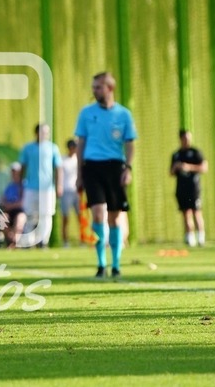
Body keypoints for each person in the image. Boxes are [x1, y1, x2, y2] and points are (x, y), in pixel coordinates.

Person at [75, 72, 137, 278]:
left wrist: (128, 168)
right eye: (93, 87)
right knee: (98, 214)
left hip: (115, 167)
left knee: (115, 217)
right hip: (92, 167)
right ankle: (101, 264)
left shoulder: (124, 114)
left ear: (110, 88)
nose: (94, 91)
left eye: (98, 87)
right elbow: (81, 144)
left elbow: (130, 144)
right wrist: (79, 173)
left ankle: (116, 264)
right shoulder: (86, 113)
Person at [18, 124, 63, 248]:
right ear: (36, 133)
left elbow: (58, 168)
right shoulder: (28, 148)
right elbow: (23, 167)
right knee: (29, 214)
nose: (45, 135)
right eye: (43, 132)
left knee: (46, 215)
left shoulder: (53, 148)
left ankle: (43, 241)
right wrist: (20, 184)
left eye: (47, 132)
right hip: (30, 187)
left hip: (47, 188)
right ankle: (29, 240)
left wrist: (59, 185)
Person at [170, 129, 208, 247]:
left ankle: (201, 237)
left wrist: (189, 167)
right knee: (186, 212)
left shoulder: (195, 152)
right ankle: (190, 238)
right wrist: (176, 167)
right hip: (181, 188)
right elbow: (171, 172)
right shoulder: (176, 155)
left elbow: (204, 167)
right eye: (185, 138)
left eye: (188, 138)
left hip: (194, 188)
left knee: (196, 212)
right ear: (181, 139)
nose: (187, 141)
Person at [1, 162, 27, 248]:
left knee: (20, 220)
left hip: (21, 211)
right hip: (9, 212)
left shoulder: (24, 185)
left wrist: (10, 205)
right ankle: (11, 241)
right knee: (2, 219)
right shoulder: (9, 186)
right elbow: (4, 200)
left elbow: (23, 202)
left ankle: (15, 243)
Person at [61, 138, 81, 248]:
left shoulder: (78, 159)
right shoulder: (63, 159)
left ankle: (82, 240)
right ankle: (65, 241)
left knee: (80, 216)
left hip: (76, 191)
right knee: (66, 217)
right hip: (66, 191)